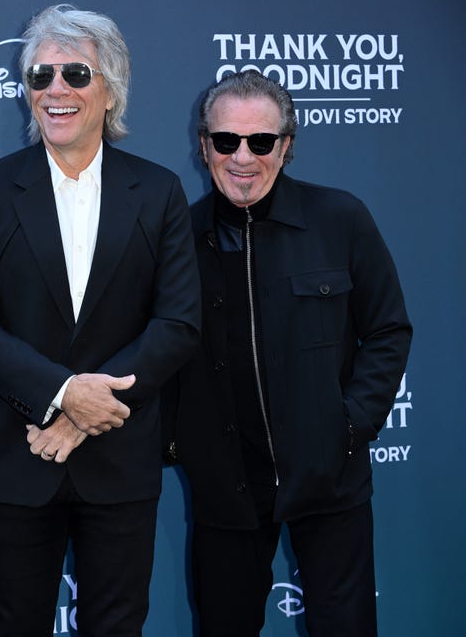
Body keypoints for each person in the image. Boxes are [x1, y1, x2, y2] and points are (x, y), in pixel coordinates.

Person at [0, 4, 201, 636]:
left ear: (109, 87)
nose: (55, 89)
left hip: (120, 458)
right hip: (19, 459)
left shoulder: (160, 190)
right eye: (40, 75)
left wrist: (91, 409)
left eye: (75, 74)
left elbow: (178, 322)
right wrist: (63, 395)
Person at [166, 69, 412, 636]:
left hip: (329, 478)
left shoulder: (341, 219)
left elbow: (388, 331)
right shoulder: (178, 235)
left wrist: (348, 426)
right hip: (225, 486)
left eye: (261, 141)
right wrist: (180, 440)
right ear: (204, 147)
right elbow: (156, 347)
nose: (242, 157)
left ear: (288, 146)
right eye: (226, 140)